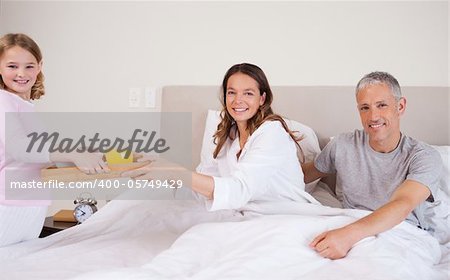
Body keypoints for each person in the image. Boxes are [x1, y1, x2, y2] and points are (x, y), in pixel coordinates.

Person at [123, 63, 318, 210]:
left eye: (248, 93)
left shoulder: (272, 133)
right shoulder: (228, 135)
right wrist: (160, 172)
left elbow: (239, 189)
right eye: (231, 92)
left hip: (283, 214)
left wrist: (175, 172)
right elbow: (205, 182)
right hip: (247, 212)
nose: (238, 100)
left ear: (262, 99)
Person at [303, 71, 443, 260]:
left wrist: (348, 235)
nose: (373, 116)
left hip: (400, 234)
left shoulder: (424, 157)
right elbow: (301, 175)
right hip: (348, 227)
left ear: (400, 107)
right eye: (365, 108)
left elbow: (402, 204)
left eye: (382, 105)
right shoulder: (343, 145)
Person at [0, 33, 108, 247]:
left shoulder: (24, 106)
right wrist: (73, 153)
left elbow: (35, 158)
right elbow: (20, 149)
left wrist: (88, 154)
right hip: (10, 204)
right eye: (12, 66)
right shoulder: (3, 101)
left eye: (29, 66)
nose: (21, 73)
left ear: (39, 66)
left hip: (28, 204)